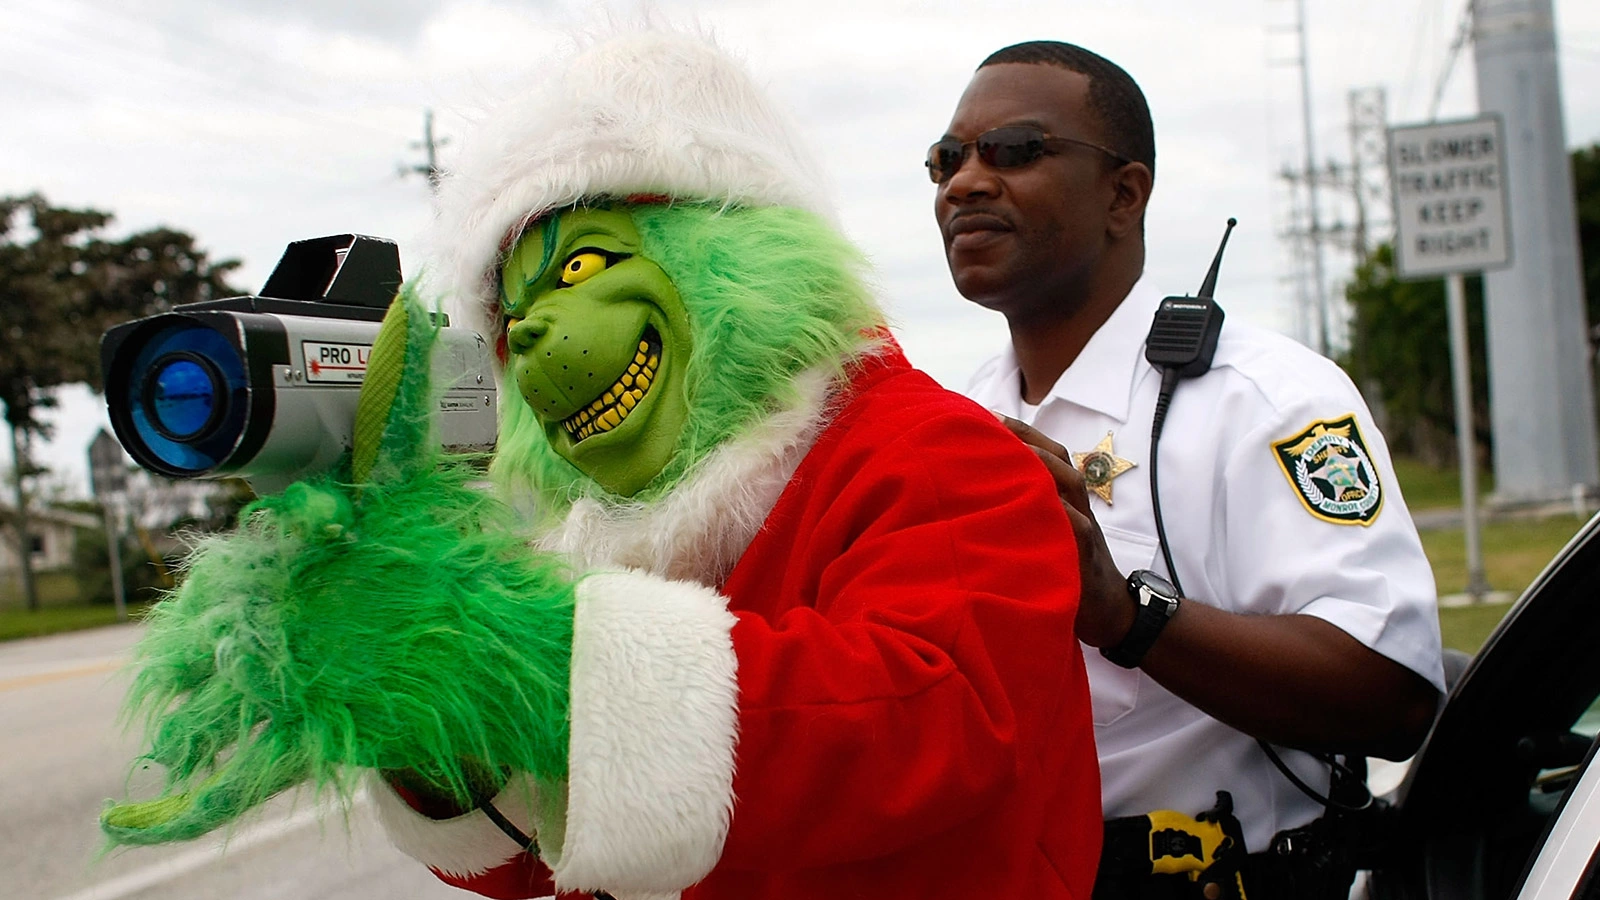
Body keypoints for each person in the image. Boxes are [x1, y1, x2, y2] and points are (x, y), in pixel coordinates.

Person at [101, 26, 1104, 900]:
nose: (537, 332)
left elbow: (926, 727)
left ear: (744, 253)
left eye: (583, 265)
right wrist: (420, 692)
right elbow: (518, 862)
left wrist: (517, 650)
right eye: (512, 308)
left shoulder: (935, 454)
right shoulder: (580, 531)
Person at [931, 40, 1446, 898]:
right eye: (947, 159)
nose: (965, 182)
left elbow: (1392, 694)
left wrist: (1124, 612)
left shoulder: (1264, 400)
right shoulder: (957, 417)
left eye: (1013, 150)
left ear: (1123, 194)